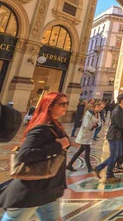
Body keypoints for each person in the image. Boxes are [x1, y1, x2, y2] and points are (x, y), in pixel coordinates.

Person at [0, 92, 70, 221]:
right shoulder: (41, 128)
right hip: (33, 190)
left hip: (48, 188)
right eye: (62, 104)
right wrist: (57, 146)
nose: (66, 107)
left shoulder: (54, 125)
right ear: (49, 106)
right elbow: (24, 154)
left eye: (67, 103)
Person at [94, 93, 123, 182]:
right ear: (122, 100)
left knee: (118, 154)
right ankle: (109, 175)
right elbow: (121, 124)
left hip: (119, 135)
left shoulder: (122, 110)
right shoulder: (117, 111)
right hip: (114, 135)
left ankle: (99, 167)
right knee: (114, 155)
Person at [67, 101, 102, 173]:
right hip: (84, 135)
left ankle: (69, 165)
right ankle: (89, 168)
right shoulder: (88, 114)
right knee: (87, 150)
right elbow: (87, 125)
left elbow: (99, 123)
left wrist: (96, 125)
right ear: (96, 106)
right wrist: (93, 125)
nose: (101, 109)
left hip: (89, 135)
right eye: (101, 107)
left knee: (80, 151)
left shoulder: (97, 114)